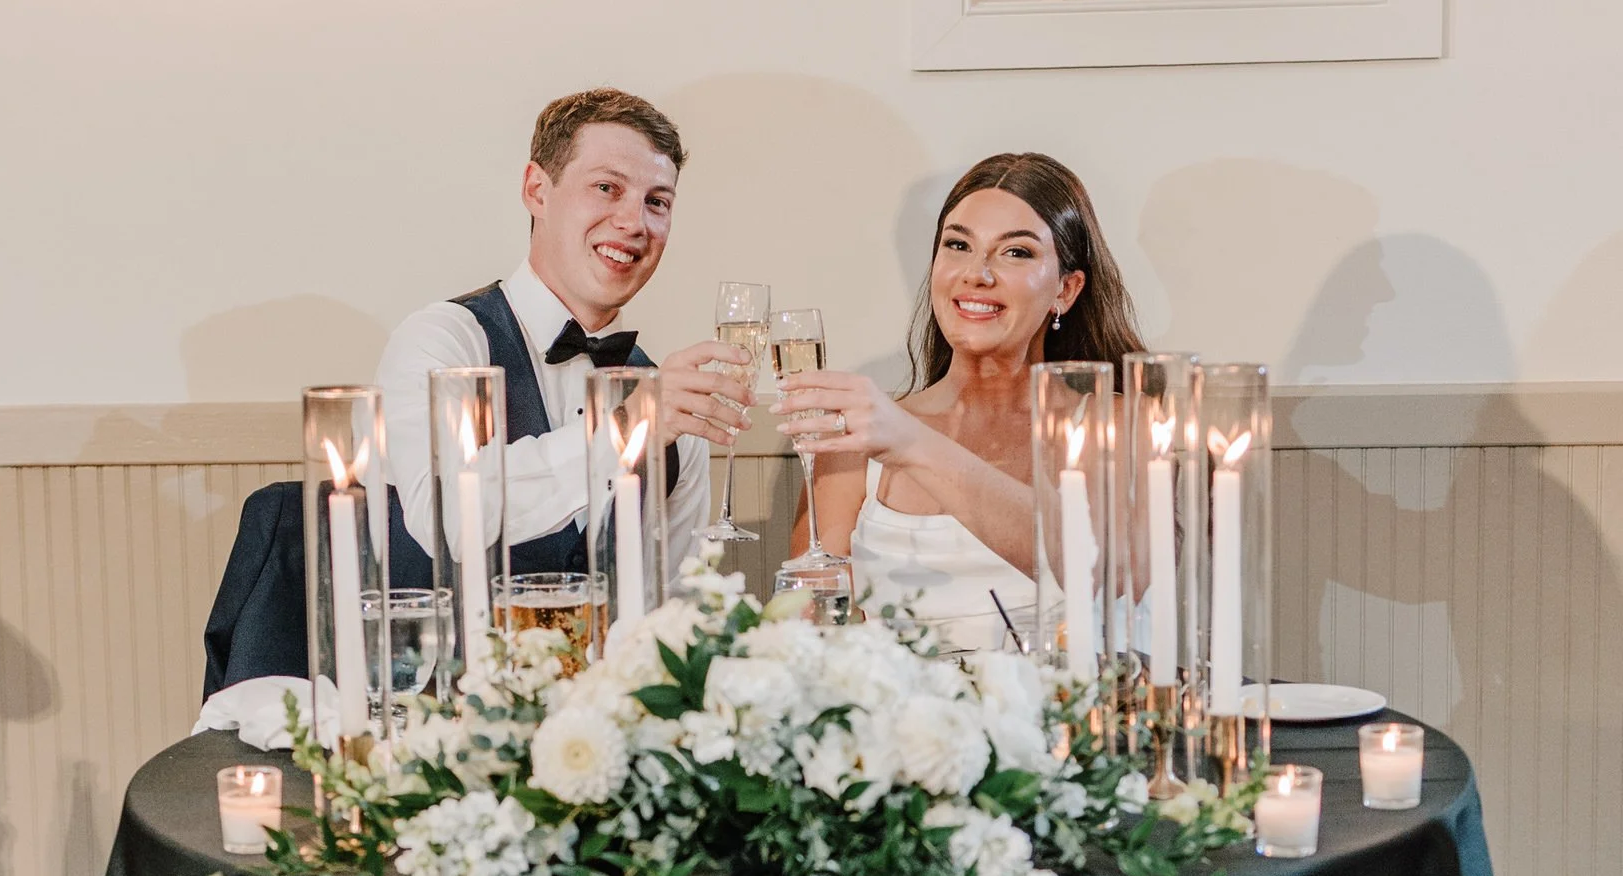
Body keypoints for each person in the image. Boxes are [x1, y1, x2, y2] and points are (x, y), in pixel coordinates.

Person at [377, 89, 750, 582]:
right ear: (537, 190)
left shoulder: (672, 406)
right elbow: (445, 520)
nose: (634, 223)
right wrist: (625, 428)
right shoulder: (443, 341)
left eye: (656, 202)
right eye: (607, 188)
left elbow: (674, 606)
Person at [778, 152, 1143, 645]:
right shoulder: (858, 440)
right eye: (957, 245)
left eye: (1016, 252)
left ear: (1066, 289)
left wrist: (914, 445)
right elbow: (808, 632)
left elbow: (1110, 578)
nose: (977, 274)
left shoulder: (1117, 427)